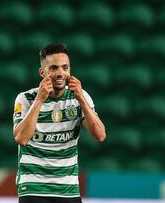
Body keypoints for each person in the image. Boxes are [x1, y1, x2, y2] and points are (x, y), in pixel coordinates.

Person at [13, 43, 106, 203]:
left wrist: (81, 100)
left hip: (68, 190)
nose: (60, 73)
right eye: (54, 68)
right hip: (33, 189)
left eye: (65, 67)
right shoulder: (26, 98)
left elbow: (100, 135)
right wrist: (40, 100)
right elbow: (21, 138)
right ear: (42, 72)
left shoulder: (80, 97)